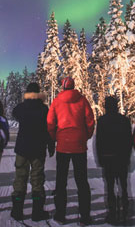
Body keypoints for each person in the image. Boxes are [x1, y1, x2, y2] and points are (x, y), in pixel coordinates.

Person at [47, 77, 95, 225]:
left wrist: (56, 137)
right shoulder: (82, 100)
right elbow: (90, 121)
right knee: (82, 181)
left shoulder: (56, 101)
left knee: (61, 182)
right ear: (74, 86)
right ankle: (85, 217)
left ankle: (61, 215)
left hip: (63, 146)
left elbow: (50, 123)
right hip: (79, 146)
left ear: (63, 87)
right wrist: (85, 136)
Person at [10, 82, 55, 221]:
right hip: (38, 148)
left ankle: (17, 211)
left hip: (22, 148)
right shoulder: (43, 108)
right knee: (37, 179)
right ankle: (37, 212)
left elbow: (14, 112)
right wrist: (51, 145)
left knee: (20, 178)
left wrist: (26, 101)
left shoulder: (22, 107)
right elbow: (49, 128)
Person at [96, 96, 132, 225]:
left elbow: (99, 141)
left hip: (108, 158)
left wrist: (100, 158)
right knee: (123, 186)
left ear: (106, 106)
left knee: (110, 187)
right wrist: (127, 156)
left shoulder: (102, 121)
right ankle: (125, 214)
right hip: (121, 158)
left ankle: (112, 214)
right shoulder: (124, 120)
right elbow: (129, 141)